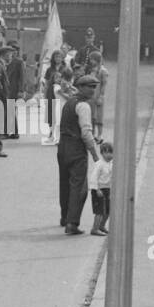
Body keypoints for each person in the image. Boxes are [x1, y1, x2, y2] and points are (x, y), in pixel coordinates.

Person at [57, 74, 100, 234]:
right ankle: (72, 223)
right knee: (79, 188)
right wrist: (95, 155)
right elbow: (86, 133)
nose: (92, 90)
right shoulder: (84, 106)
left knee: (65, 183)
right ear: (80, 87)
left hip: (63, 147)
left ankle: (64, 217)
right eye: (89, 86)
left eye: (94, 87)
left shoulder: (69, 102)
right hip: (76, 148)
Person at [38, 50, 64, 146]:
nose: (58, 59)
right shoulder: (50, 69)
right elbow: (46, 82)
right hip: (50, 92)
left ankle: (59, 133)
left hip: (60, 92)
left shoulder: (64, 68)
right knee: (51, 112)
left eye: (59, 57)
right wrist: (44, 94)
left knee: (59, 113)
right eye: (56, 57)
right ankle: (51, 131)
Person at [89, 140, 114, 236]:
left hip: (107, 189)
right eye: (106, 152)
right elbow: (94, 177)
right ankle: (94, 229)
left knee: (108, 210)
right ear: (102, 153)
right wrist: (96, 189)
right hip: (99, 190)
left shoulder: (111, 164)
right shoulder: (99, 164)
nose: (109, 155)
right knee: (99, 211)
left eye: (111, 152)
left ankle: (101, 226)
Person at [84, 51, 110, 140]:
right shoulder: (90, 70)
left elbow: (104, 85)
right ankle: (92, 133)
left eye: (92, 59)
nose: (91, 61)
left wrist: (101, 96)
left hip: (98, 95)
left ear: (97, 60)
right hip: (90, 96)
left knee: (99, 116)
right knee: (91, 116)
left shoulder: (103, 71)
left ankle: (100, 134)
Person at [4, 41, 25, 139]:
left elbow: (22, 77)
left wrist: (21, 90)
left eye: (16, 50)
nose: (14, 52)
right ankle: (13, 132)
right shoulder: (5, 61)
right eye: (12, 50)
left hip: (14, 89)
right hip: (5, 88)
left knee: (10, 110)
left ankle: (12, 132)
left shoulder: (19, 61)